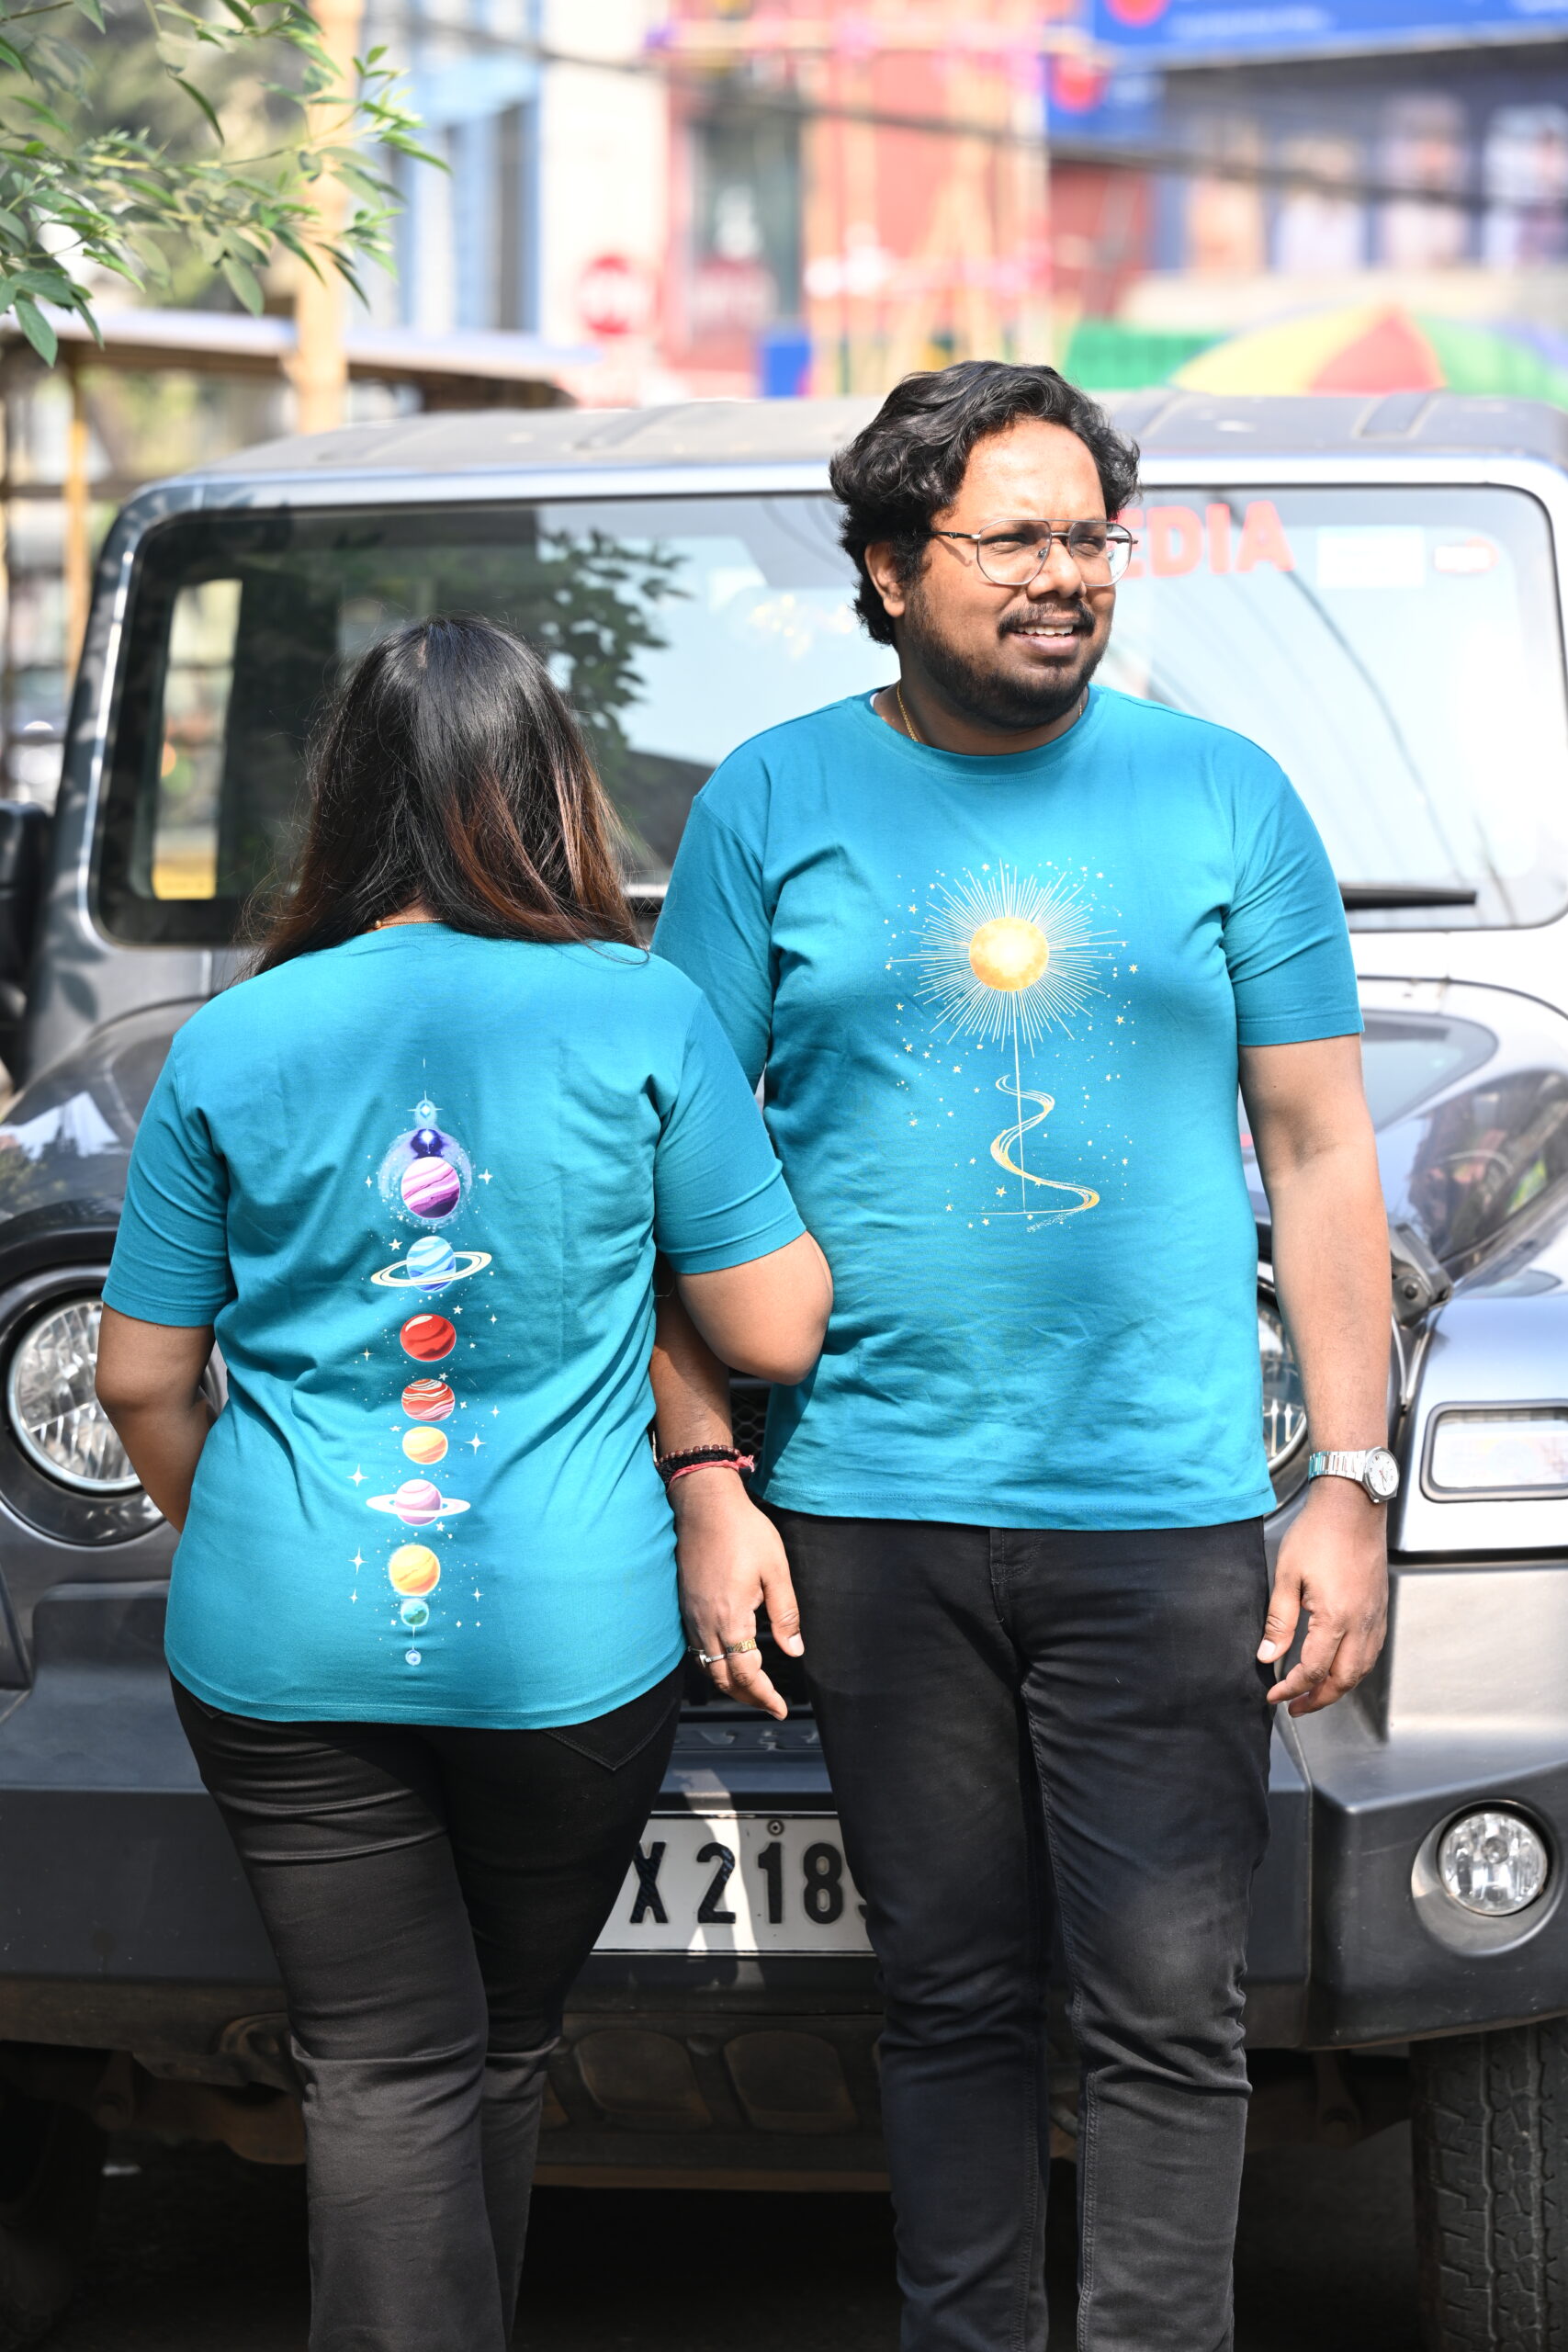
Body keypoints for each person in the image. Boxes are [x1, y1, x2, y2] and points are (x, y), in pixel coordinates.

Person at [651, 361, 1393, 2351]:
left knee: (1168, 2009)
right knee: (952, 1999)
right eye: (1014, 540)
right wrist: (707, 1478)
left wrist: (1347, 1478)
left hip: (1159, 1510)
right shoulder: (770, 802)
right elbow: (672, 1162)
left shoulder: (1223, 792)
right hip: (867, 1506)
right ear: (892, 569)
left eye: (1090, 536)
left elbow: (1322, 1149)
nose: (1065, 575)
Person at [95, 616, 831, 2352]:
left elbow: (136, 1376)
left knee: (390, 2063)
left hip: (280, 1635)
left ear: (343, 801)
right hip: (566, 1647)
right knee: (488, 2048)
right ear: (554, 792)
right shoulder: (641, 1015)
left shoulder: (229, 1037)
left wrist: (242, 1531)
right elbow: (776, 1326)